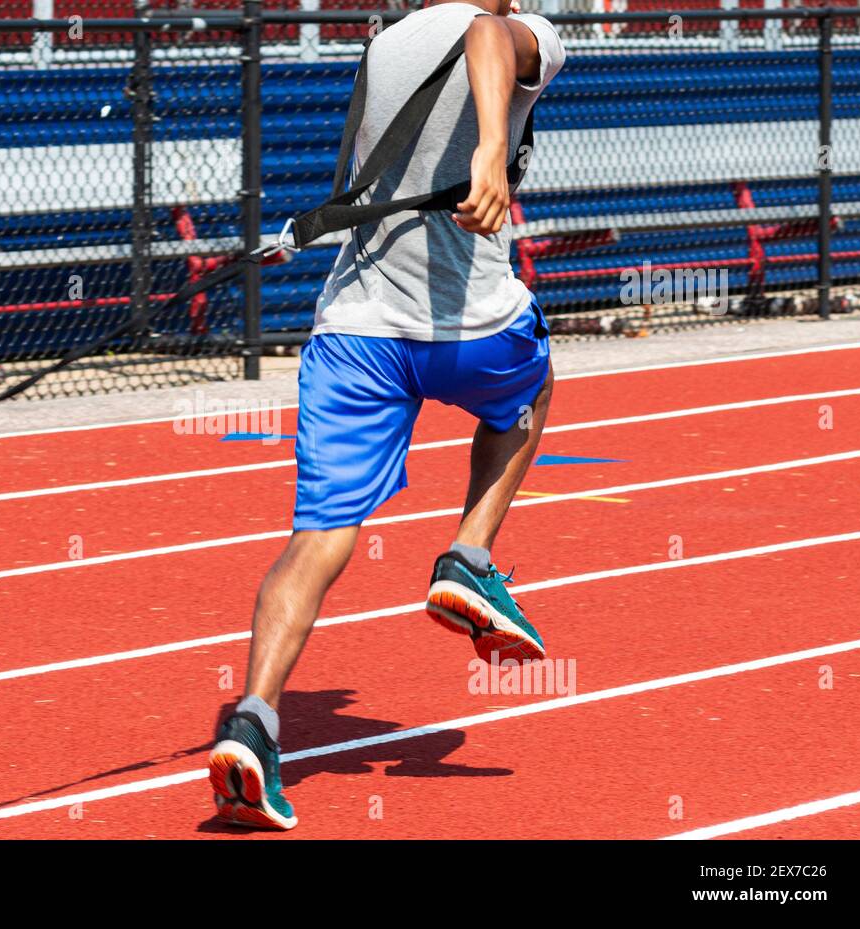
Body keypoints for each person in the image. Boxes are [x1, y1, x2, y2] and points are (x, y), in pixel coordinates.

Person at [208, 0, 566, 831]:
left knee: (319, 535)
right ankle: (470, 555)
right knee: (535, 389)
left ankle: (254, 720)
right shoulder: (530, 32)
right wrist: (487, 149)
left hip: (355, 333)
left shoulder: (382, 48)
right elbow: (484, 34)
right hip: (471, 326)